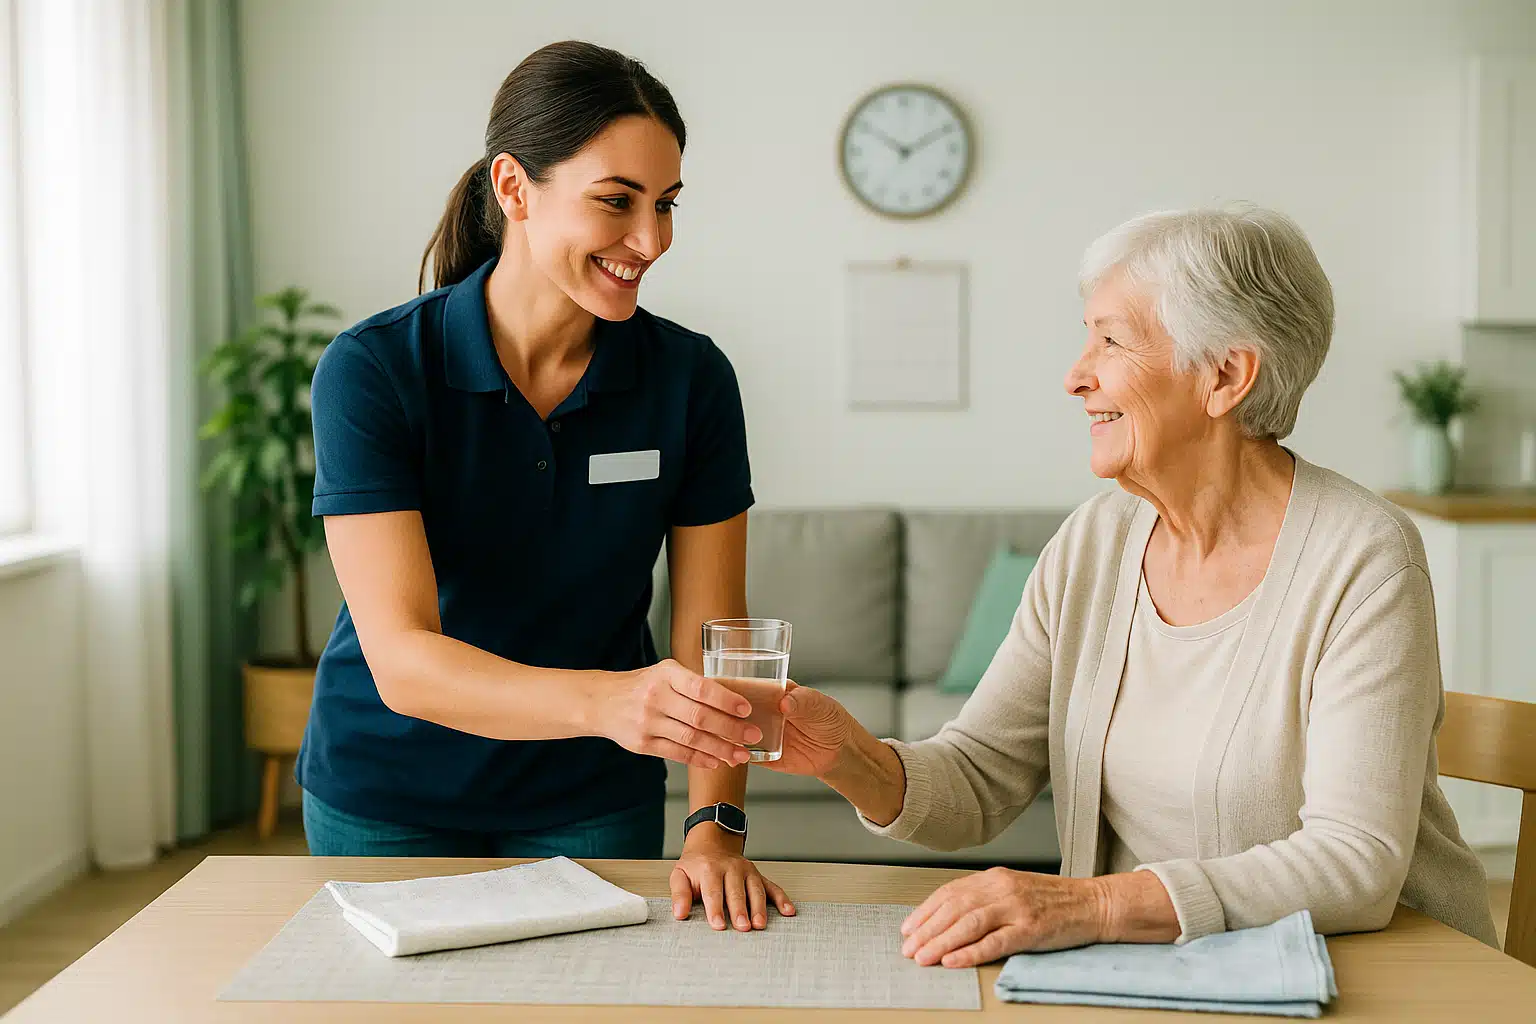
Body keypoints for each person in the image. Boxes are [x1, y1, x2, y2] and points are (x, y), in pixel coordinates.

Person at [765, 204, 1498, 966]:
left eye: (1110, 340)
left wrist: (1090, 902)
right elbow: (982, 778)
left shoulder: (1364, 556)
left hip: (1383, 973)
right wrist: (846, 754)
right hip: (1158, 970)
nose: (1076, 375)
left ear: (1225, 376)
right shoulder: (1094, 542)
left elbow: (1355, 861)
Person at [297, 40, 794, 934]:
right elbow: (405, 662)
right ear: (515, 188)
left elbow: (712, 634)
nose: (651, 240)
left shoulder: (692, 380)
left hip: (589, 797)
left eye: (667, 204)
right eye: (616, 202)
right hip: (388, 795)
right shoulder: (373, 371)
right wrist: (616, 701)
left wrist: (715, 825)